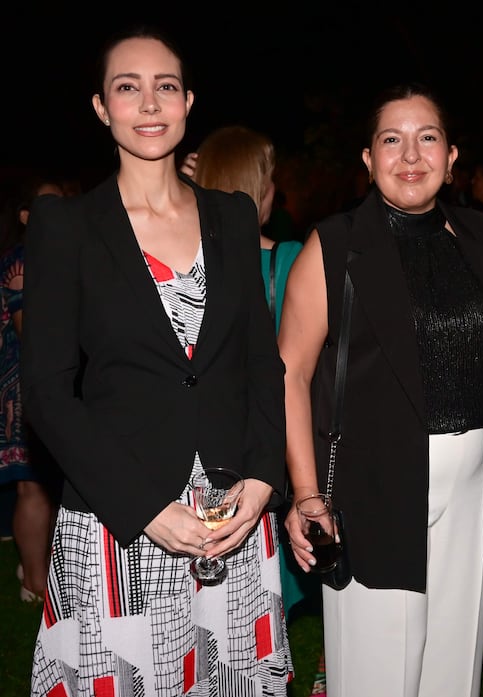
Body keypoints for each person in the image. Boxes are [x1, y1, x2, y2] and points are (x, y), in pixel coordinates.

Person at [21, 26, 292, 696]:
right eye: (127, 88)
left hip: (232, 517)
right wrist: (146, 508)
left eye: (164, 87)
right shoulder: (67, 227)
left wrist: (262, 479)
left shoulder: (231, 217)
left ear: (188, 101)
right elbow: (49, 394)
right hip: (121, 518)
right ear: (100, 107)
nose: (148, 104)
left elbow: (263, 363)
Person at [279, 82, 483, 697]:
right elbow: (290, 373)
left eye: (427, 138)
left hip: (474, 490)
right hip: (375, 488)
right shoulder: (334, 246)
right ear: (368, 158)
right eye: (392, 140)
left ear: (452, 155)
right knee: (379, 675)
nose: (411, 155)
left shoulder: (481, 238)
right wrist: (305, 494)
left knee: (452, 672)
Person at [179, 124, 313, 618]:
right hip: (272, 431)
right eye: (271, 178)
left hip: (208, 440)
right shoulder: (289, 258)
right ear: (257, 187)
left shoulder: (184, 265)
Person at [0, 173, 64, 602]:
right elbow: (30, 331)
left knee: (53, 484)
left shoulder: (60, 255)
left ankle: (37, 565)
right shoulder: (23, 260)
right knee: (33, 484)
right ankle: (34, 583)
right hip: (24, 388)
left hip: (53, 383)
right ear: (25, 216)